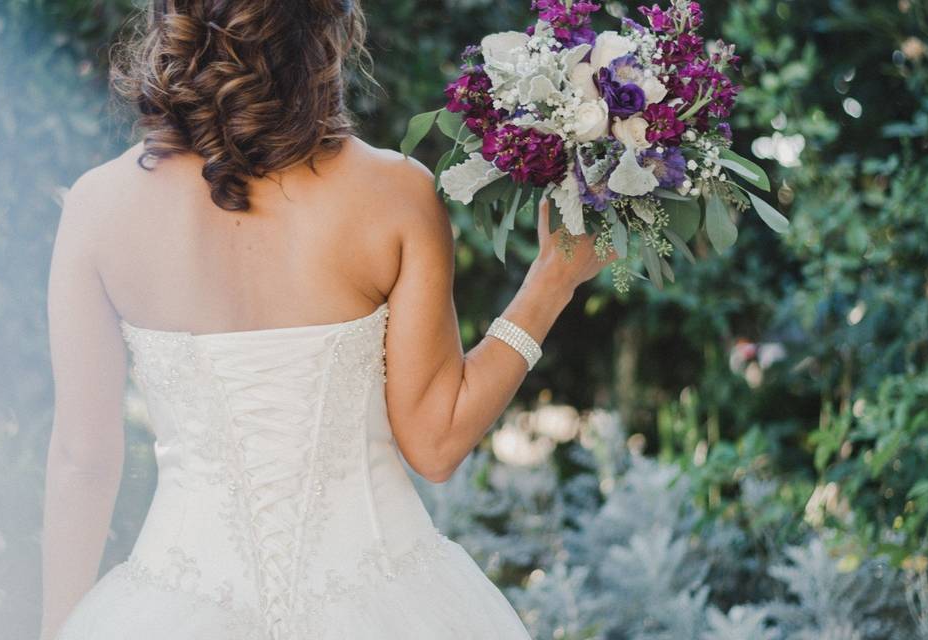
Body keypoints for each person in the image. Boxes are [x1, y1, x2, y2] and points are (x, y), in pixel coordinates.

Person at [40, 1, 616, 638]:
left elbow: (81, 460)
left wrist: (58, 627)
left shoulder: (98, 207)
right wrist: (552, 280)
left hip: (171, 604)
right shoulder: (395, 193)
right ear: (325, 27)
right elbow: (436, 442)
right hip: (390, 599)